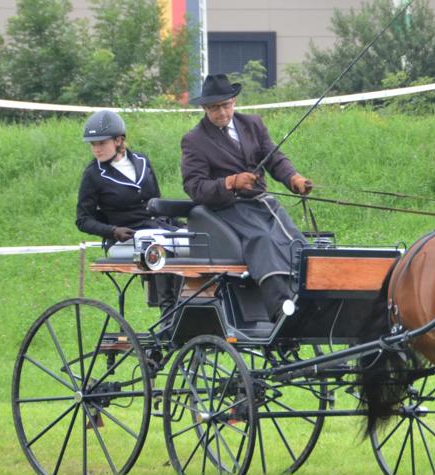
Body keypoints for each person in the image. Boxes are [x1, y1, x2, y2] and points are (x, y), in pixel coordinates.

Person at [180, 74, 313, 320]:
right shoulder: (194, 140)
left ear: (234, 101)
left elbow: (274, 158)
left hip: (262, 203)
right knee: (262, 239)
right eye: (214, 108)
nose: (221, 112)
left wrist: (293, 178)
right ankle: (280, 308)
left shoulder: (253, 124)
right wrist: (230, 182)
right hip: (226, 209)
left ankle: (306, 297)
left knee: (294, 239)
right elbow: (195, 187)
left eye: (226, 105)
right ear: (205, 108)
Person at [76, 109, 179, 310]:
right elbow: (82, 219)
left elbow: (157, 202)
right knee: (159, 242)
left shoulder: (142, 162)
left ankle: (191, 306)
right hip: (123, 238)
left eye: (101, 143)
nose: (96, 149)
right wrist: (112, 230)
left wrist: (175, 225)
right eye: (93, 144)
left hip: (155, 228)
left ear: (118, 140)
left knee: (193, 238)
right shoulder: (93, 175)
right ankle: (168, 311)